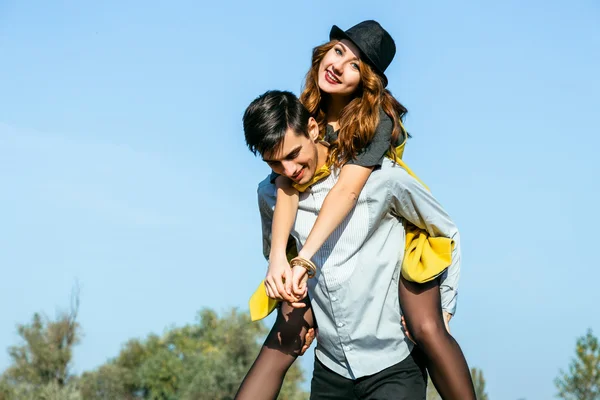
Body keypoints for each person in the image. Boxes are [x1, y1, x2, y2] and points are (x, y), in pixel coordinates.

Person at [239, 21, 476, 400]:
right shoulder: (302, 112)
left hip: (393, 219)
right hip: (323, 246)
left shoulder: (375, 121)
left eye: (354, 65)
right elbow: (287, 184)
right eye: (338, 52)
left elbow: (347, 190)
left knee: (425, 327)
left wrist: (302, 263)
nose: (338, 66)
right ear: (325, 50)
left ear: (366, 81)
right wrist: (280, 264)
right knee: (284, 332)